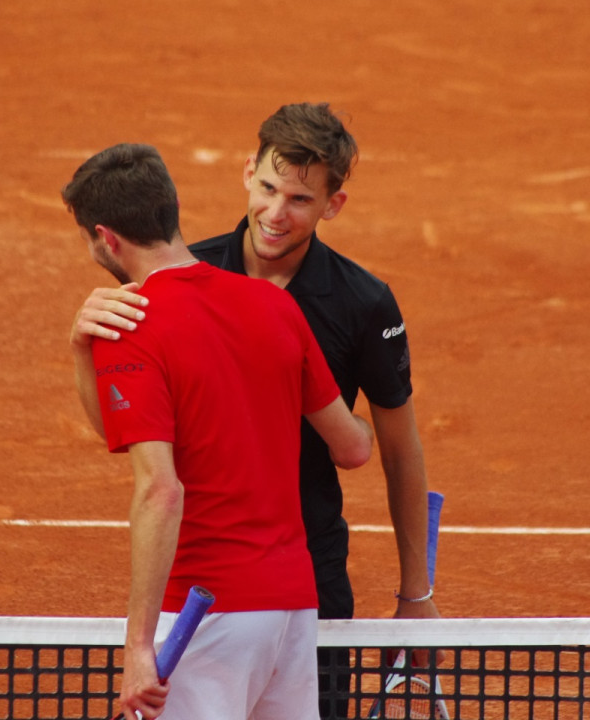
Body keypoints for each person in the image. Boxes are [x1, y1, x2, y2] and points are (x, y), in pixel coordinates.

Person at [73, 104, 441, 630]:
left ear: (332, 205)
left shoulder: (363, 303)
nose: (275, 213)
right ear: (248, 172)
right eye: (268, 188)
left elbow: (401, 450)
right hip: (202, 569)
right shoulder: (174, 281)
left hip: (309, 568)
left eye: (299, 200)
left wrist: (416, 591)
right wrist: (85, 349)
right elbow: (123, 427)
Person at [62, 142, 374, 720]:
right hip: (293, 612)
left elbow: (160, 489)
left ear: (107, 238)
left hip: (204, 618)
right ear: (171, 206)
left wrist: (137, 647)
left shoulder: (130, 325)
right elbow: (354, 446)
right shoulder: (274, 306)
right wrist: (84, 353)